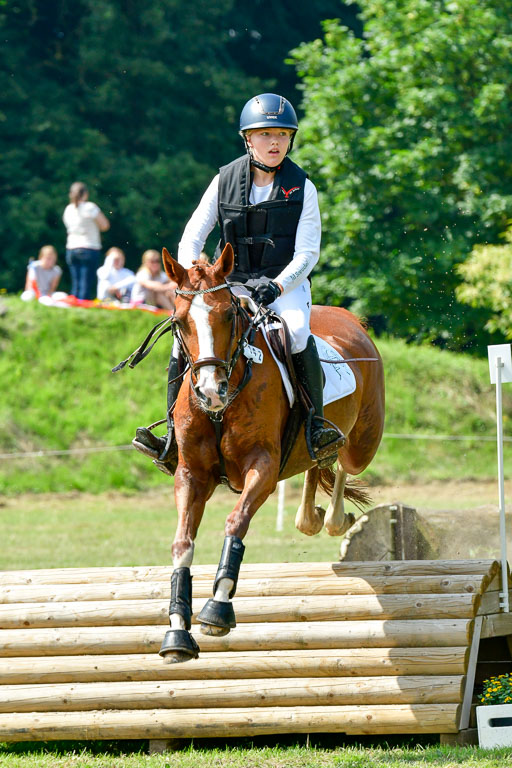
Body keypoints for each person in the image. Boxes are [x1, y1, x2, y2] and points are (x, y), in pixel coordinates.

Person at [133, 92, 345, 474]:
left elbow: (308, 253)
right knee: (191, 337)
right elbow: (192, 237)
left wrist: (278, 286)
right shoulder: (224, 180)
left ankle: (315, 428)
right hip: (228, 285)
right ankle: (168, 434)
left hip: (283, 286)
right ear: (248, 139)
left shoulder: (303, 188)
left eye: (283, 134)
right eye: (266, 134)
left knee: (297, 332)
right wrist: (194, 279)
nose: (275, 142)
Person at [63, 181, 110, 300]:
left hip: (71, 248)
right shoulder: (90, 207)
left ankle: (73, 307)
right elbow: (105, 225)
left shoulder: (68, 209)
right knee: (85, 284)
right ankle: (82, 309)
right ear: (85, 194)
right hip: (88, 248)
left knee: (76, 283)